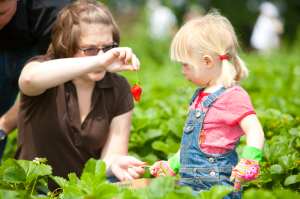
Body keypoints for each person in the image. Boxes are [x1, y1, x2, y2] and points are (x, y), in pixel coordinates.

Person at [14, 0, 146, 191]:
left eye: (108, 48)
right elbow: (29, 80)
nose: (102, 56)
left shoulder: (118, 88)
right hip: (33, 192)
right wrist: (99, 63)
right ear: (67, 46)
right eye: (90, 49)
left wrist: (116, 163)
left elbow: (112, 155)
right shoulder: (45, 69)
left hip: (80, 194)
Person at [149, 11, 265, 198]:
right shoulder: (199, 96)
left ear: (207, 61)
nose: (182, 71)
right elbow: (193, 146)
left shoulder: (233, 95)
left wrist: (251, 160)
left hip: (216, 185)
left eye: (186, 65)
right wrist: (172, 164)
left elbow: (255, 129)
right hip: (190, 184)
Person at [0, 0, 71, 162]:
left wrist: (2, 126)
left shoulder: (54, 10)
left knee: (43, 118)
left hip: (36, 46)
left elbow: (44, 82)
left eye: (1, 14)